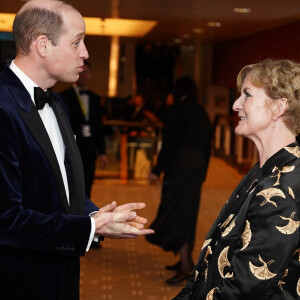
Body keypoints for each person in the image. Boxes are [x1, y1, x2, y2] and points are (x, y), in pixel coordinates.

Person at [0, 1, 154, 299]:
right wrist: (88, 227)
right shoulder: (2, 108)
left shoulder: (57, 103)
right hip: (17, 280)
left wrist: (96, 217)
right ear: (43, 45)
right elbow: (6, 219)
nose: (85, 53)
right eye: (77, 42)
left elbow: (62, 191)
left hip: (61, 273)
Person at [173, 59, 300, 299]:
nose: (235, 105)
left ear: (278, 107)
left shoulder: (283, 187)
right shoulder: (264, 171)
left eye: (247, 95)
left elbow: (243, 291)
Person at [146, 76, 212, 284]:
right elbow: (207, 147)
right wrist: (203, 174)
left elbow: (169, 144)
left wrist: (157, 170)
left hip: (180, 167)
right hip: (197, 168)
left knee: (177, 213)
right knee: (187, 214)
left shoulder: (176, 111)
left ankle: (185, 266)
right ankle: (184, 259)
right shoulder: (202, 112)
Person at [61, 60, 108, 198]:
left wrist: (103, 153)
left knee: (87, 187)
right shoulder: (63, 97)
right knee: (71, 188)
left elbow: (98, 127)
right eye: (80, 71)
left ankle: (85, 217)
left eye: (86, 72)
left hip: (89, 151)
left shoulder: (95, 99)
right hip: (71, 150)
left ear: (90, 75)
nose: (83, 75)